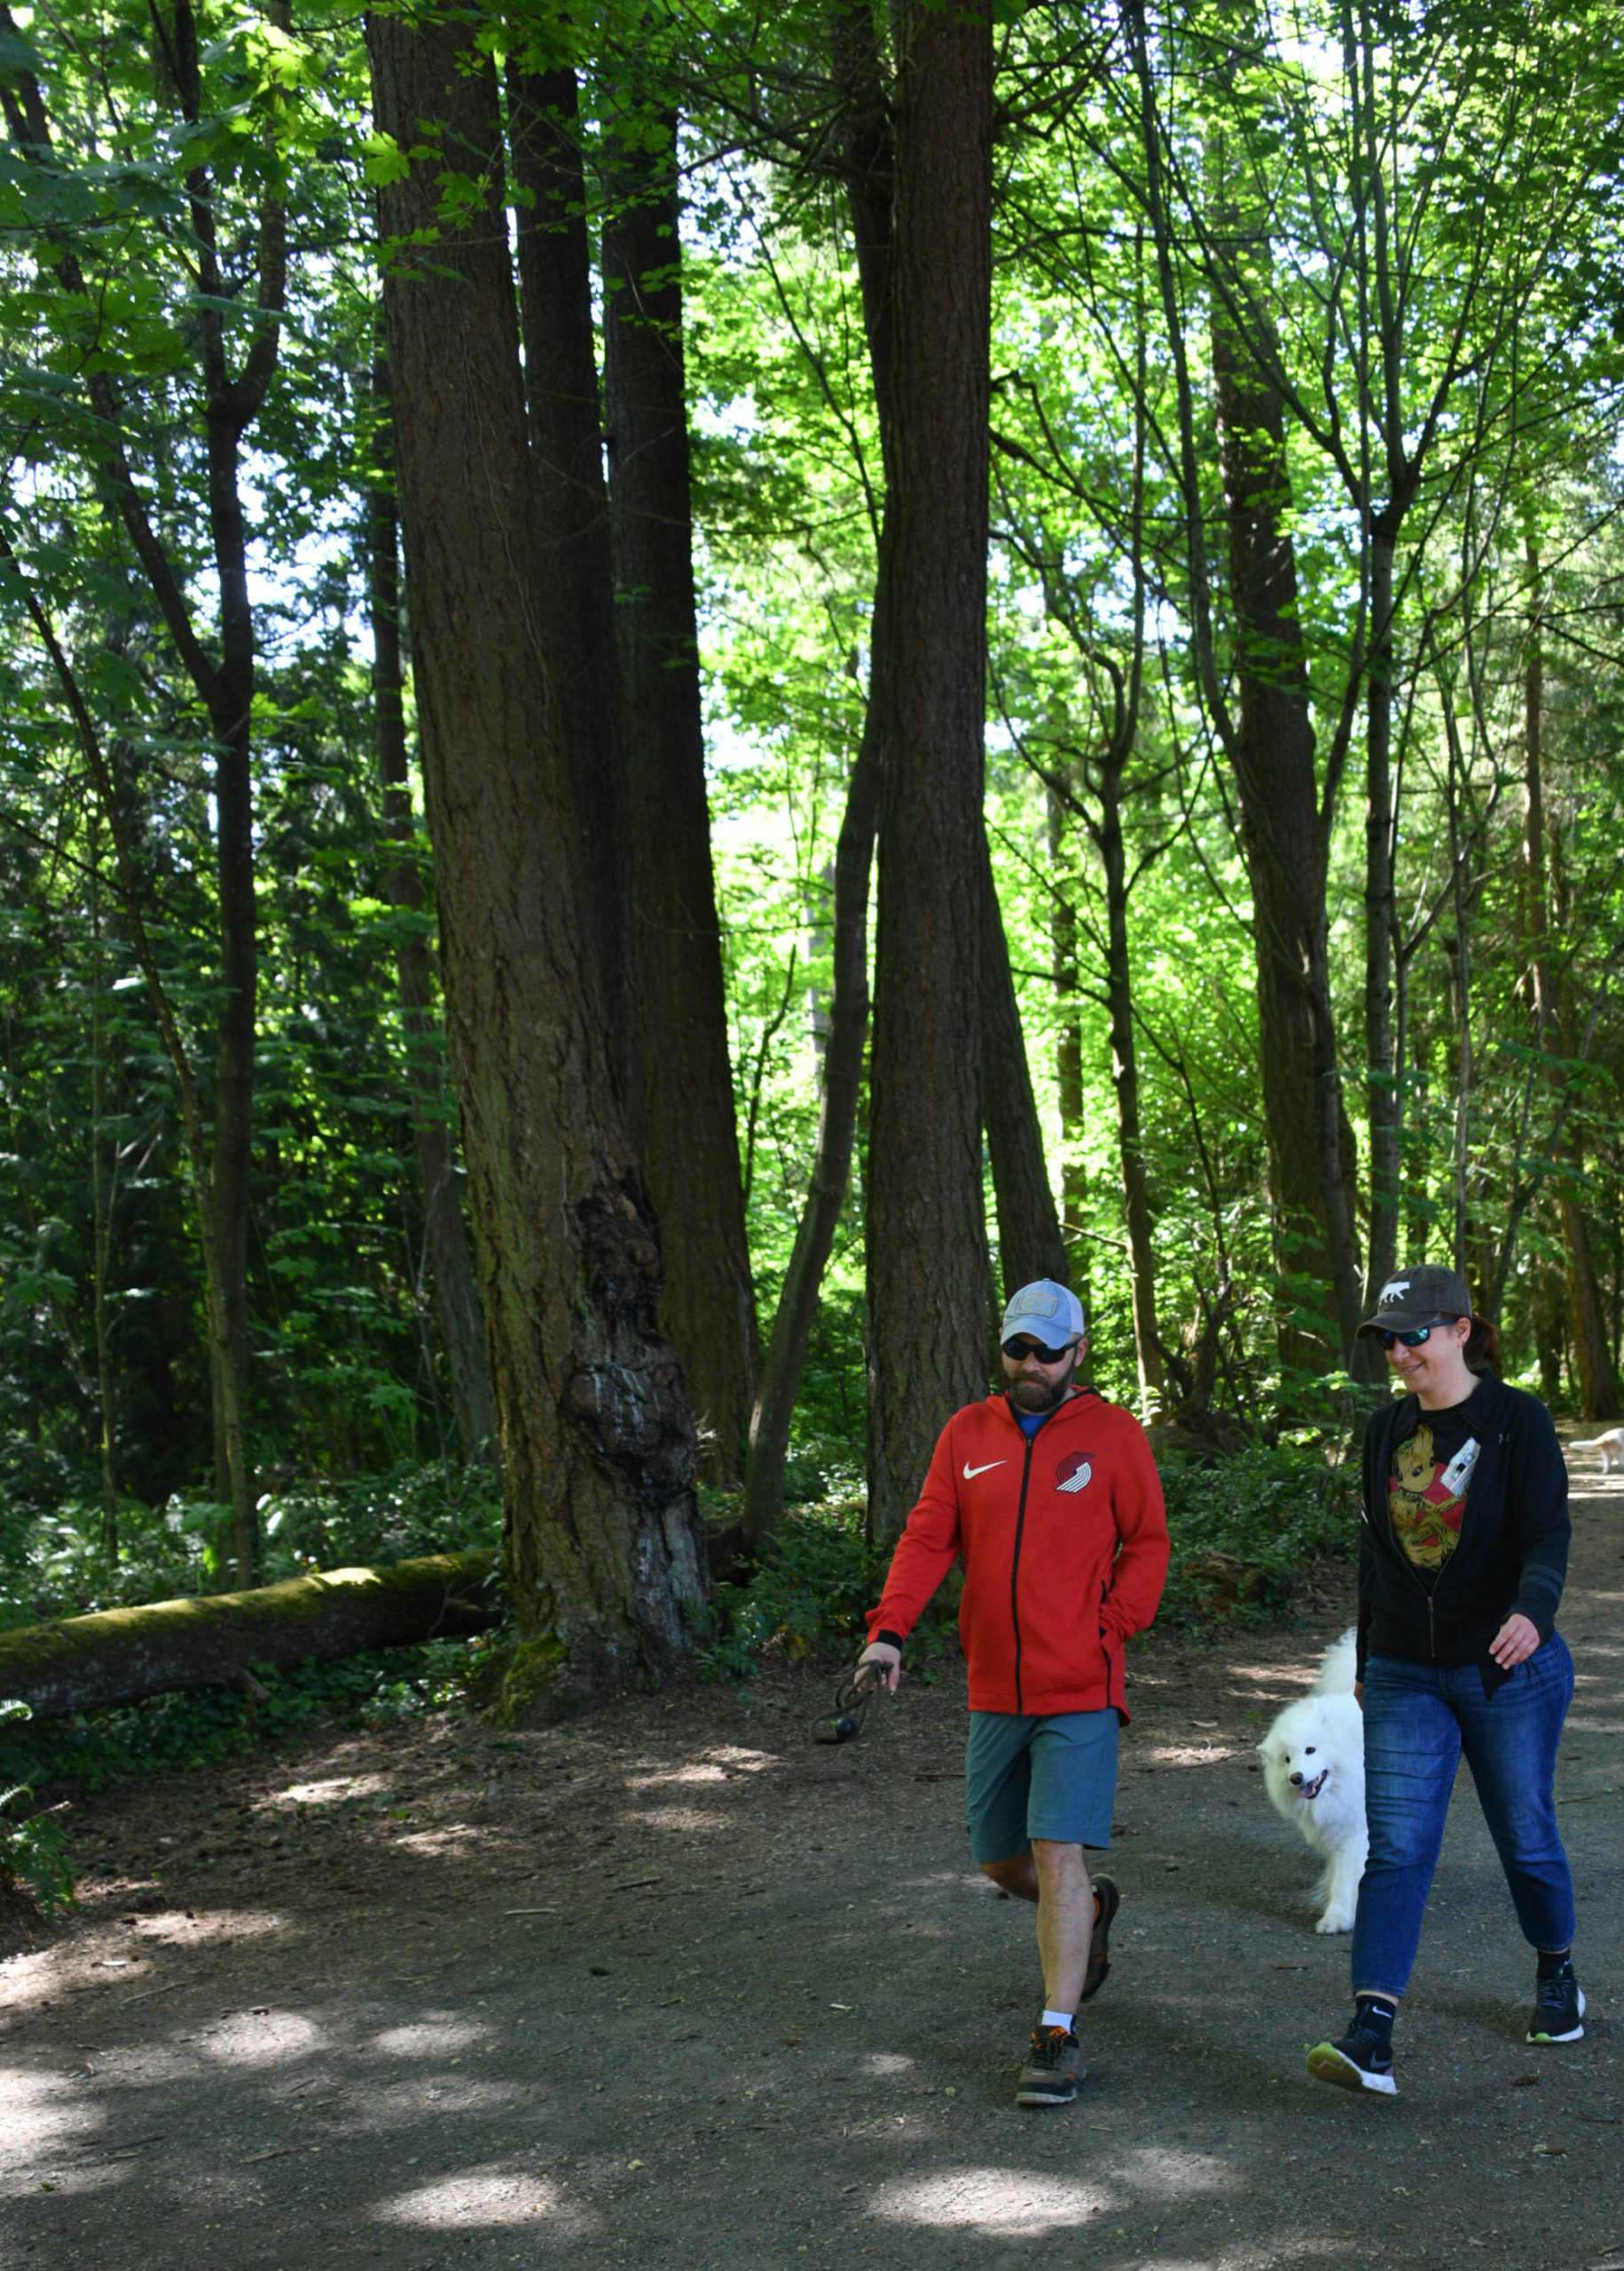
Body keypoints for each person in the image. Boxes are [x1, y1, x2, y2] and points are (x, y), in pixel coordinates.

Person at [856, 1277, 1169, 2109]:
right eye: (1017, 1349)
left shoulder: (1112, 1437)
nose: (1029, 1365)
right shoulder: (967, 1432)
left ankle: (1055, 2036)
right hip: (994, 1686)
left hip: (1080, 1687)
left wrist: (1112, 1627)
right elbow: (928, 1536)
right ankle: (1089, 1917)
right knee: (1000, 1858)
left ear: (1078, 1353)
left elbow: (1147, 1542)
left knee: (1056, 1850)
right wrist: (888, 1632)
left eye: (1047, 1352)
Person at [1307, 1261, 1580, 2098]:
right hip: (1401, 1672)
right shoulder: (1384, 1432)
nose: (1398, 1352)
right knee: (1395, 1847)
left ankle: (1557, 1974)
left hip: (1505, 1668)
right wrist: (1366, 1661)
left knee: (1523, 1837)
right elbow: (1373, 1556)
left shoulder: (1514, 1420)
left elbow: (1547, 1534)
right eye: (1387, 1338)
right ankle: (1371, 2033)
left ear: (1460, 1329)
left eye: (1413, 1335)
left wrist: (1532, 1611)